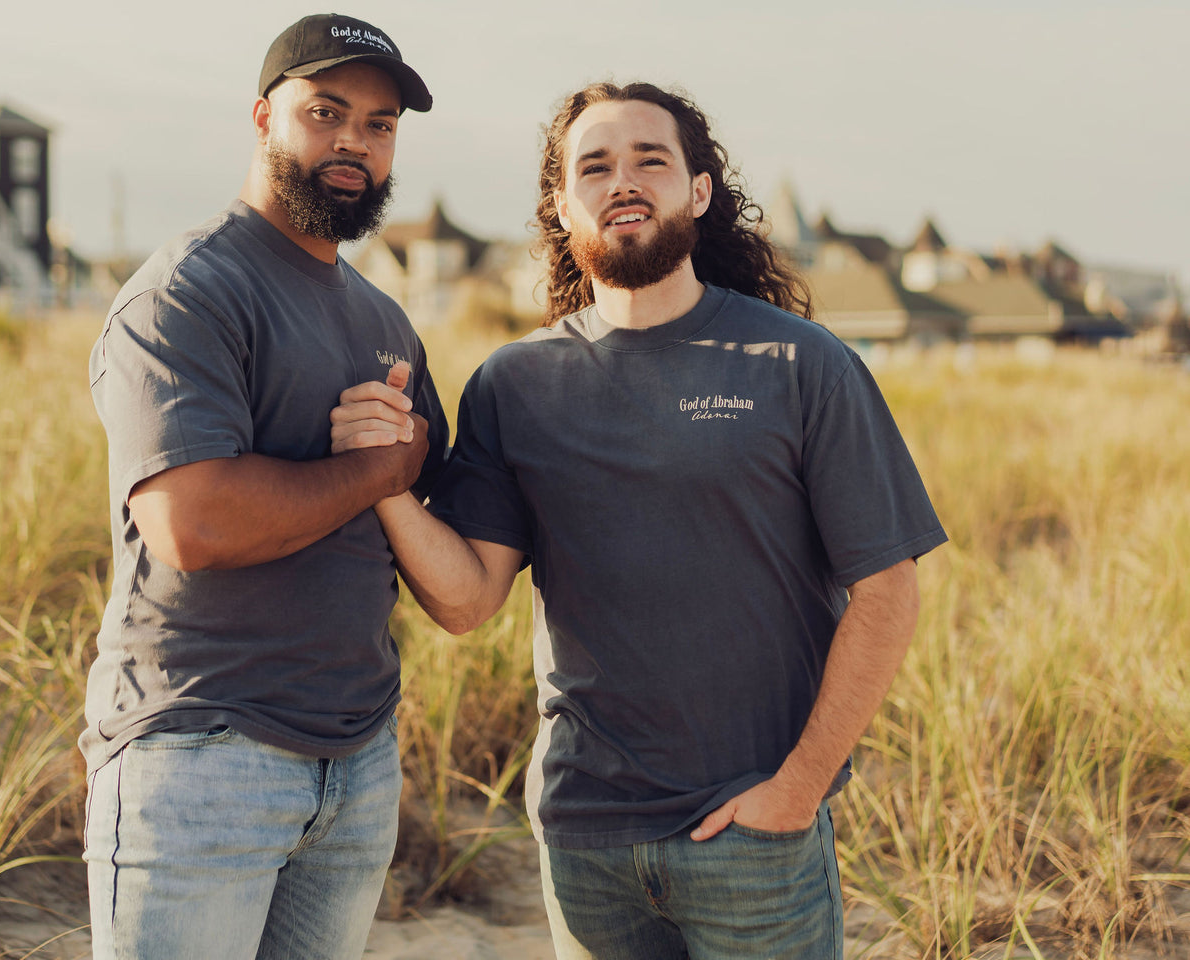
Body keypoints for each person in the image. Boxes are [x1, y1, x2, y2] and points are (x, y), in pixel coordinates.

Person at [330, 81, 948, 959]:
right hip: (585, 841)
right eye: (595, 166)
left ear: (697, 191)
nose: (623, 180)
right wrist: (382, 478)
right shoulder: (516, 385)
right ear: (561, 204)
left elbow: (886, 588)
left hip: (753, 838)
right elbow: (467, 603)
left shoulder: (799, 363)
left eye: (649, 160)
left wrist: (797, 790)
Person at [81, 13, 449, 960]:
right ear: (261, 117)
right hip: (203, 752)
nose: (352, 144)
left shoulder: (383, 318)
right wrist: (371, 466)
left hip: (357, 761)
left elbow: (427, 497)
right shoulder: (190, 291)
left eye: (377, 125)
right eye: (324, 112)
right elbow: (191, 524)